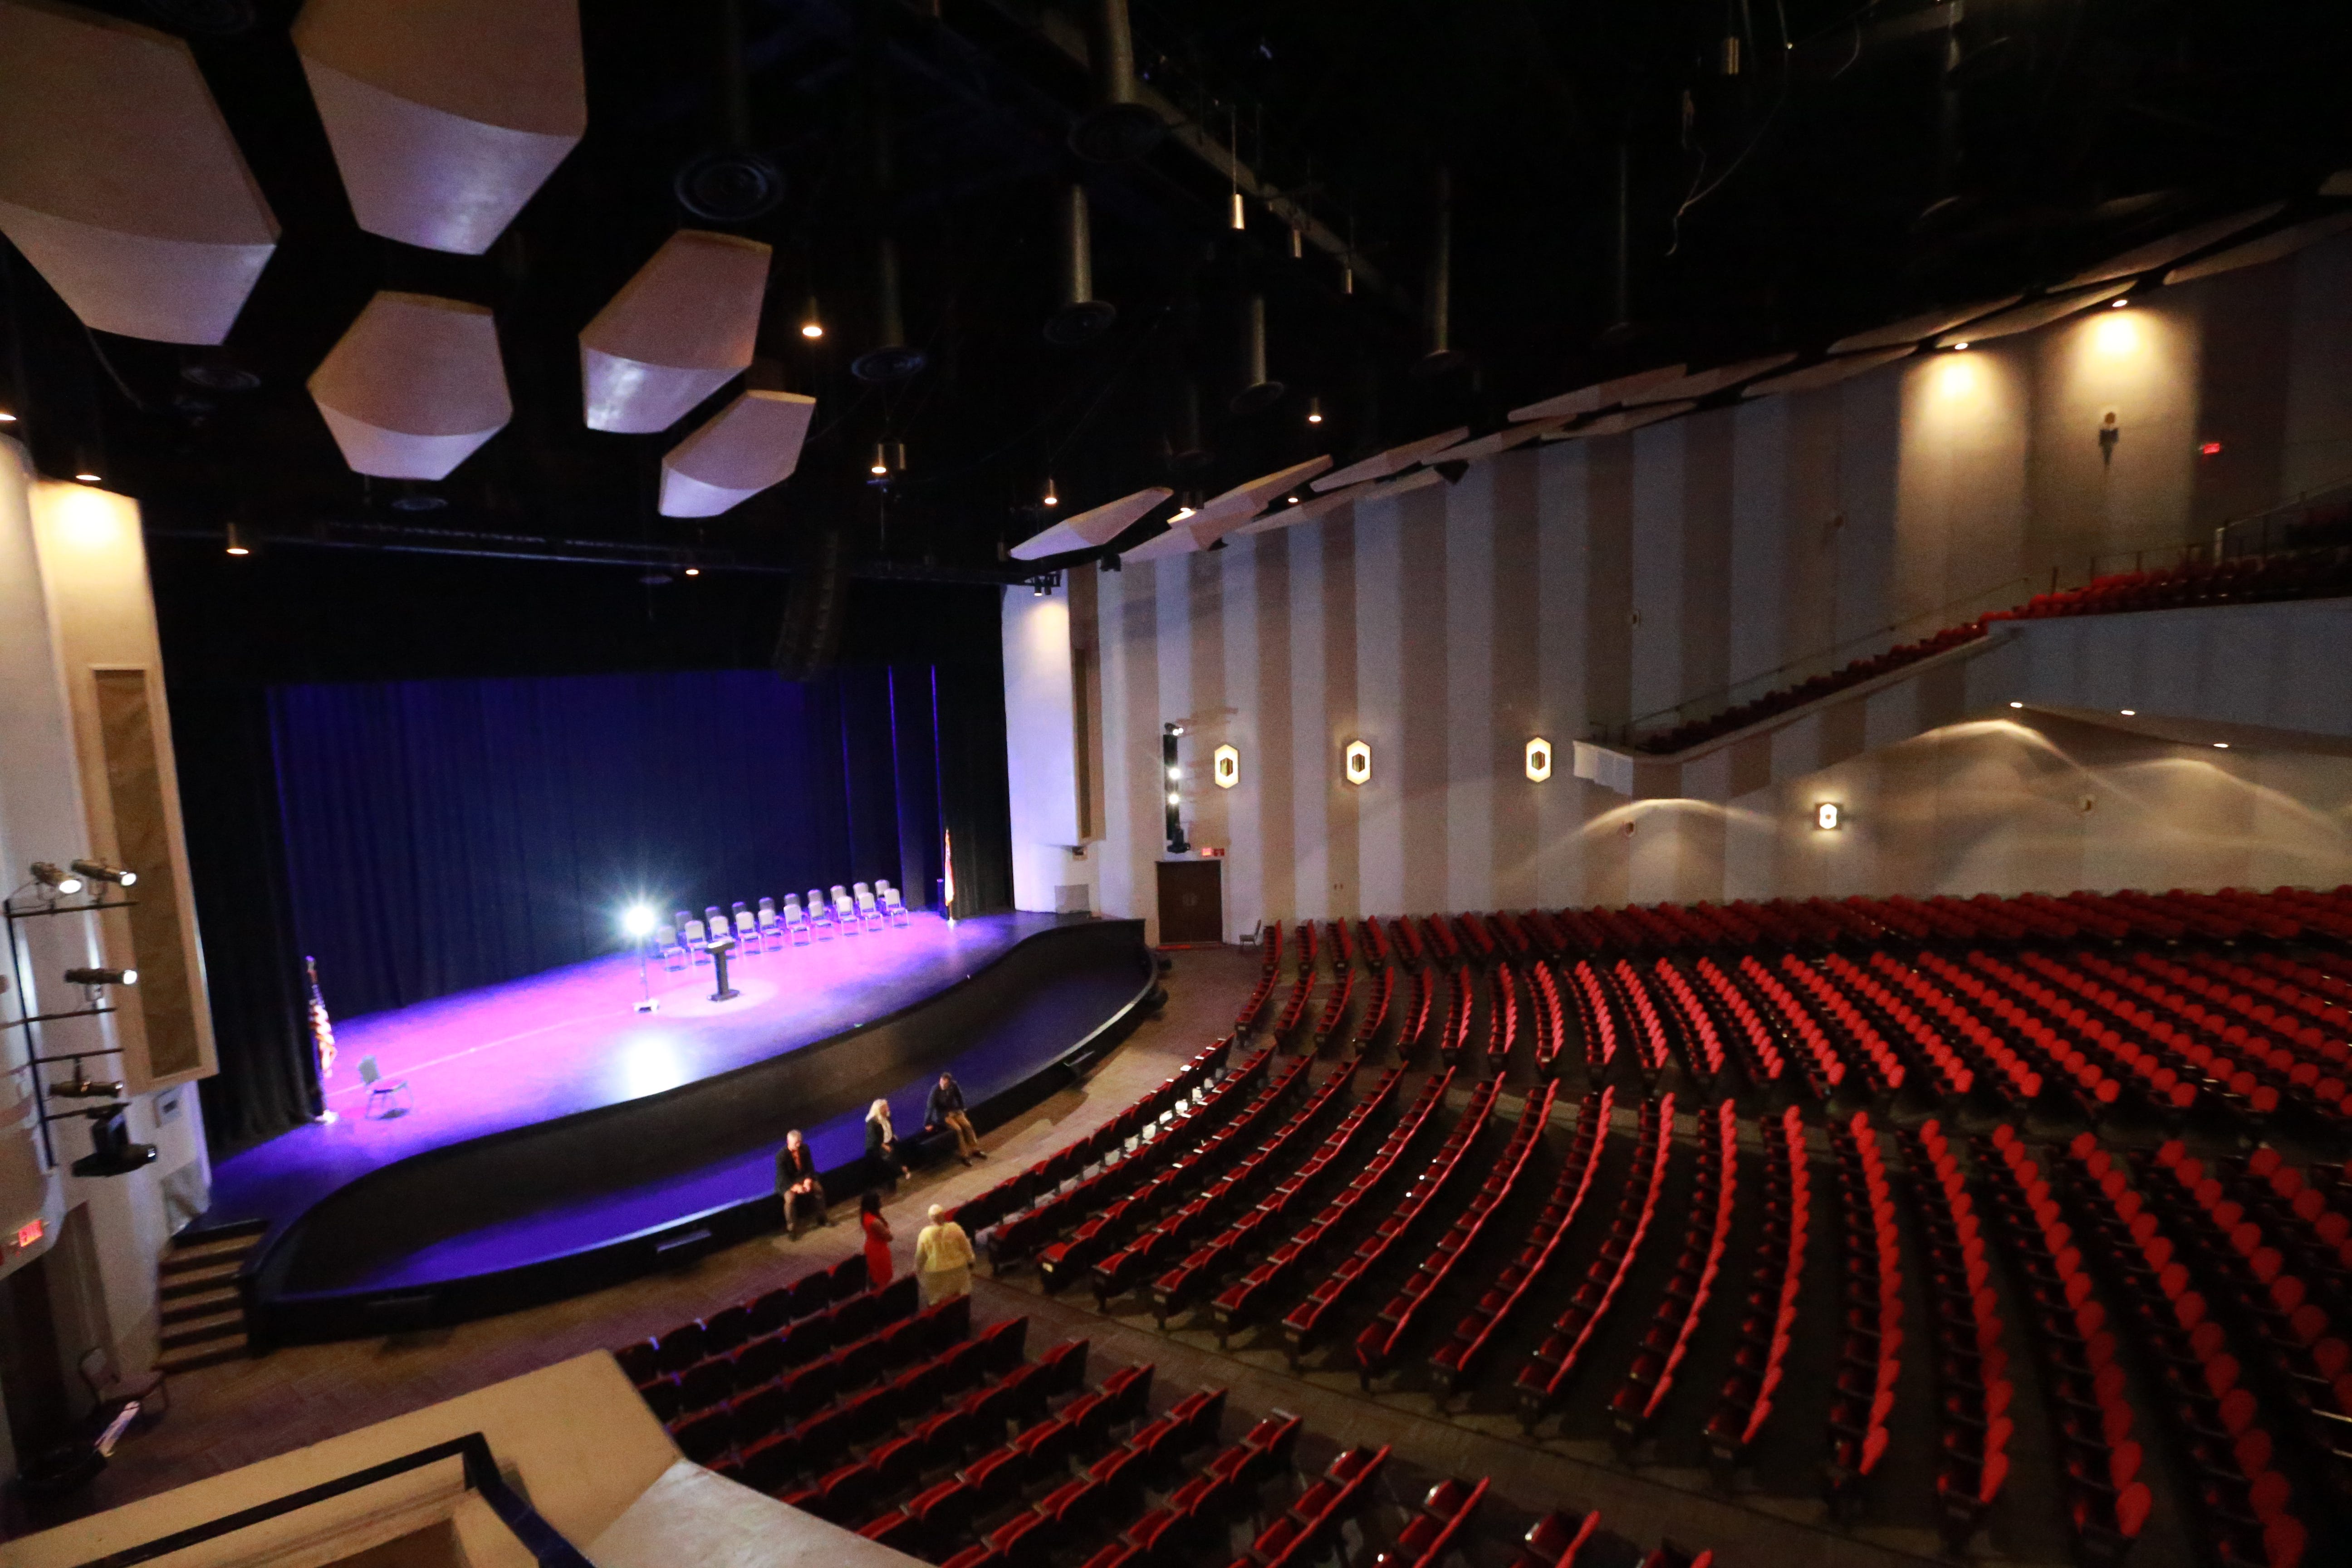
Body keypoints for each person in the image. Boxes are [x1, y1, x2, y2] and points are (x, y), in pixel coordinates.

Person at [913, 1203, 974, 1306]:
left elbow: (920, 1255)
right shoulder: (955, 1228)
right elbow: (966, 1247)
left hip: (936, 1272)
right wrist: (971, 1260)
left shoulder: (925, 1233)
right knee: (961, 1295)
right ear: (944, 1216)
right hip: (958, 1268)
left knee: (937, 1300)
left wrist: (917, 1269)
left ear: (931, 1219)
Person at [925, 1071, 984, 1165]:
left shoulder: (953, 1085)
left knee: (968, 1126)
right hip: (946, 1115)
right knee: (958, 1130)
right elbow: (930, 1107)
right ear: (940, 1080)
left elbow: (959, 1096)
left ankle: (975, 1150)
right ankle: (964, 1156)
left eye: (946, 1082)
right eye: (942, 1081)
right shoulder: (935, 1091)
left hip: (956, 1111)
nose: (944, 1084)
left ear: (949, 1082)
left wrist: (962, 1107)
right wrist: (928, 1123)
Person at [776, 1129, 827, 1237]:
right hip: (789, 1182)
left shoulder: (805, 1149)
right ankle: (792, 1229)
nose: (799, 1145)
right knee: (790, 1200)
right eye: (796, 1143)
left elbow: (810, 1168)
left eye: (800, 1142)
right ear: (788, 1142)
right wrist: (796, 1188)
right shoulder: (781, 1156)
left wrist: (808, 1181)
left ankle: (822, 1219)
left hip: (803, 1178)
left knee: (819, 1190)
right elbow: (783, 1177)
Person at [859, 1190, 893, 1288]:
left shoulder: (866, 1216)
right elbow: (889, 1238)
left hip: (872, 1247)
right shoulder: (875, 1222)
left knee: (874, 1276)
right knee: (881, 1279)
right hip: (879, 1251)